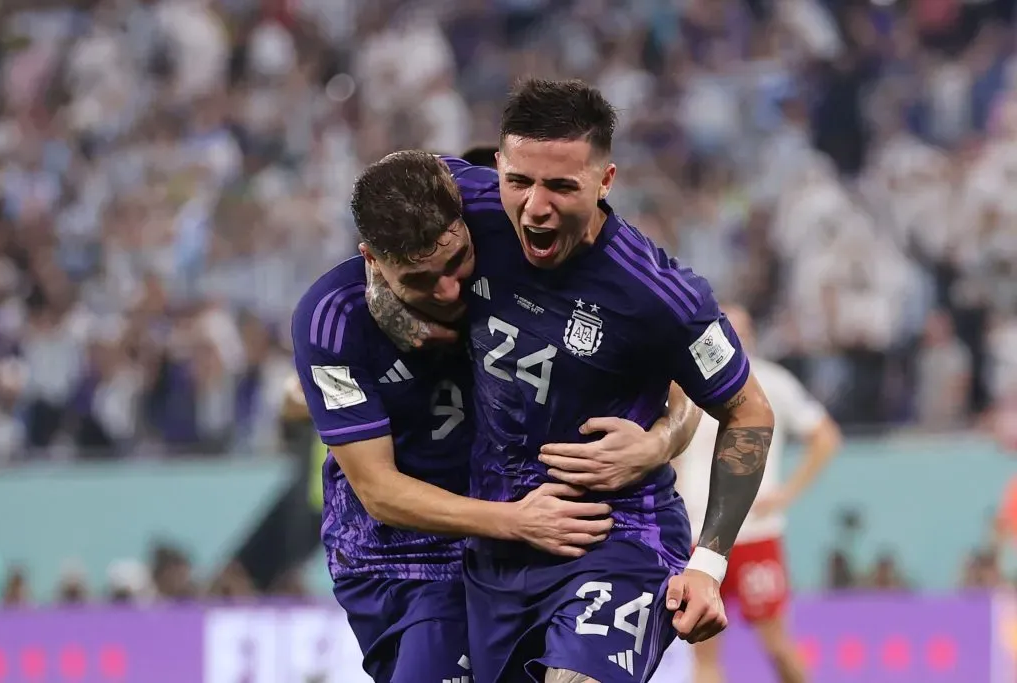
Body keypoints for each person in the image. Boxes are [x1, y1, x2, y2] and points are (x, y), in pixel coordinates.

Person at [358, 79, 776, 683]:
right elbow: (377, 214)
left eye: (560, 185)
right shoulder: (465, 206)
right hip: (497, 550)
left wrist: (707, 560)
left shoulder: (660, 295)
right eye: (519, 181)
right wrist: (392, 311)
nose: (534, 206)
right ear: (497, 166)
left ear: (605, 181)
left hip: (616, 538)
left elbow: (747, 410)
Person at [290, 248, 703, 683]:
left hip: (517, 547)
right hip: (403, 555)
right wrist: (516, 520)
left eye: (454, 266)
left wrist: (661, 441)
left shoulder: (520, 261)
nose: (447, 288)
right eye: (421, 279)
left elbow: (688, 363)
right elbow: (376, 488)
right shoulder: (336, 322)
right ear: (373, 261)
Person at [673, 304, 841, 683]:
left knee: (777, 645)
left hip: (753, 532)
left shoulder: (770, 382)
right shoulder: (685, 382)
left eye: (743, 329)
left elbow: (825, 436)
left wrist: (785, 494)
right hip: (698, 532)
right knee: (704, 654)